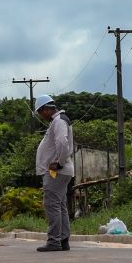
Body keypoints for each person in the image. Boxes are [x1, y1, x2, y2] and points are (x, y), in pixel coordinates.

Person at [34, 93, 74, 252]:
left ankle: (54, 242)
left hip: (57, 172)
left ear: (45, 109)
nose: (40, 115)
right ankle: (63, 240)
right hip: (62, 171)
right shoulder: (59, 120)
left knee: (52, 205)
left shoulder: (59, 121)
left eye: (39, 112)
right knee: (60, 206)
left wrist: (59, 162)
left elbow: (62, 143)